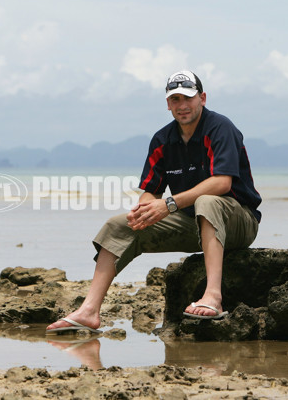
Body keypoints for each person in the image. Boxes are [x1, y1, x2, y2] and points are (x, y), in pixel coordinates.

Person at [47, 70, 261, 333]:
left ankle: (213, 297)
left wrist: (168, 204)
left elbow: (222, 183)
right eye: (175, 99)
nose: (182, 106)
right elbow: (150, 191)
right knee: (120, 224)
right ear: (168, 104)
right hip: (192, 224)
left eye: (189, 98)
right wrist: (144, 210)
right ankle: (89, 311)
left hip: (239, 222)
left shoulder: (220, 128)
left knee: (207, 201)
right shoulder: (162, 139)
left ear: (202, 98)